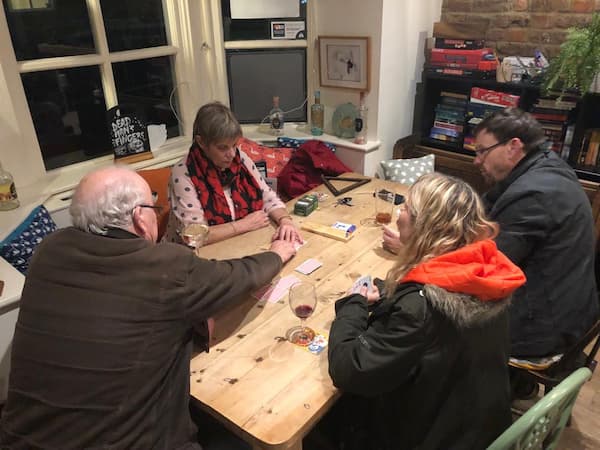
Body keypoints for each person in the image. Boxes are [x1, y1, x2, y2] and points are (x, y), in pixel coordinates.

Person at [0, 166, 296, 449]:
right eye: (155, 210)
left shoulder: (48, 251)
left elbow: (122, 309)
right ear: (140, 218)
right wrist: (277, 253)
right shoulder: (164, 266)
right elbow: (237, 277)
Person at [327, 173, 526, 450]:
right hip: (475, 422)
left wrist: (353, 305)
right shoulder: (485, 273)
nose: (398, 214)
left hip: (433, 436)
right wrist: (391, 293)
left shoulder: (418, 308)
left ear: (427, 227)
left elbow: (351, 370)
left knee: (324, 420)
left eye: (407, 208)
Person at [472, 108, 598, 359]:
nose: (476, 161)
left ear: (513, 146)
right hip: (566, 308)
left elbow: (486, 267)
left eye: (482, 151)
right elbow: (482, 208)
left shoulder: (534, 194)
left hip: (541, 328)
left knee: (433, 311)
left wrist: (422, 247)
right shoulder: (543, 166)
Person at [164, 102, 302, 245]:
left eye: (234, 145)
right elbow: (194, 235)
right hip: (189, 256)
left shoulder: (240, 158)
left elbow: (267, 197)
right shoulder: (183, 173)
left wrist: (285, 221)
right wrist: (243, 225)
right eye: (222, 148)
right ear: (201, 142)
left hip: (236, 244)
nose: (231, 154)